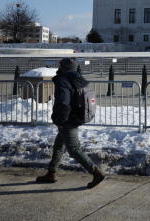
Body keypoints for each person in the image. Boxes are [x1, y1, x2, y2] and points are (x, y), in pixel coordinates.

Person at [35, 58, 105, 188]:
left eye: (60, 65)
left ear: (65, 67)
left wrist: (61, 120)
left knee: (74, 149)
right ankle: (51, 173)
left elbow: (63, 102)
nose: (58, 67)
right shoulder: (78, 78)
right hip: (75, 116)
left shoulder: (63, 80)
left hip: (68, 120)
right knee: (58, 146)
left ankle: (96, 172)